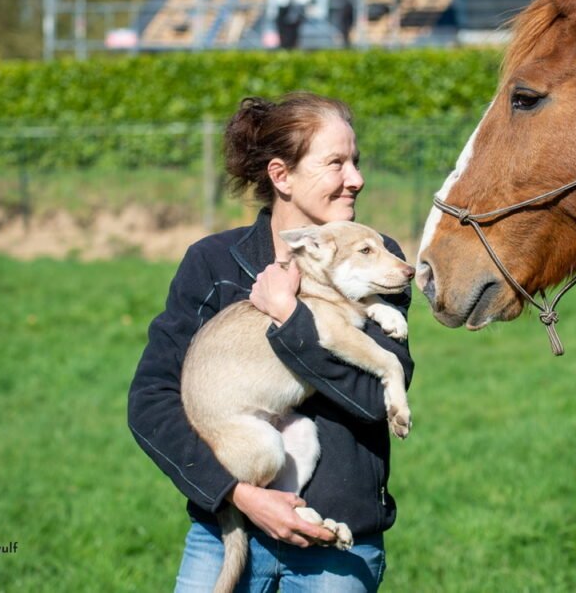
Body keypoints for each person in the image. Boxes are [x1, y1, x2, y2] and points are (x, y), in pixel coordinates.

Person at [128, 92, 415, 592]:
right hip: (224, 534)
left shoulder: (374, 258)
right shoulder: (213, 264)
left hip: (336, 549)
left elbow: (375, 401)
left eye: (356, 161)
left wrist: (290, 318)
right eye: (336, 163)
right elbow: (151, 402)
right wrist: (237, 494)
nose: (357, 178)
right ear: (281, 176)